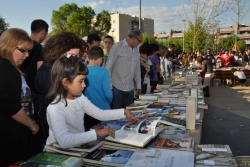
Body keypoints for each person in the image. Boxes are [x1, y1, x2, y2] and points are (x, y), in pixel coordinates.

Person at [46, 56, 138, 148]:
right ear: (66, 82)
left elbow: (100, 114)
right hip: (57, 153)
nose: (84, 85)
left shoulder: (80, 98)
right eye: (81, 81)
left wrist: (124, 112)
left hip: (76, 148)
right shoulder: (56, 107)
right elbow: (64, 141)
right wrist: (96, 133)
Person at [0, 28, 39, 166]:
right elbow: (9, 104)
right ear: (8, 45)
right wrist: (31, 124)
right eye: (23, 50)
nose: (27, 55)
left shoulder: (11, 67)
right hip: (8, 139)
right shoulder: (4, 66)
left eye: (29, 51)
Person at [35, 31, 83, 142]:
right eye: (72, 55)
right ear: (59, 52)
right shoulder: (50, 71)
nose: (75, 59)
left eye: (77, 56)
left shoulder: (54, 66)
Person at [106, 29, 142, 109]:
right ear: (133, 38)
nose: (140, 43)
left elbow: (137, 69)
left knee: (128, 114)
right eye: (139, 41)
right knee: (117, 115)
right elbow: (108, 67)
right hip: (117, 87)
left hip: (130, 88)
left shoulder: (136, 50)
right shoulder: (117, 47)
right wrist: (110, 86)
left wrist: (138, 85)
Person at [83, 46, 113, 131]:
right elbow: (108, 93)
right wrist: (108, 102)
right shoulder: (103, 71)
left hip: (87, 111)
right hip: (103, 109)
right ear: (100, 59)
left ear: (88, 57)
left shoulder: (82, 70)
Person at [20, 19, 49, 93]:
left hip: (19, 85)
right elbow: (41, 69)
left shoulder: (21, 45)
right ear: (43, 32)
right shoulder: (38, 47)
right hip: (33, 89)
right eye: (46, 34)